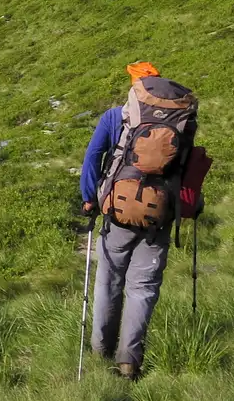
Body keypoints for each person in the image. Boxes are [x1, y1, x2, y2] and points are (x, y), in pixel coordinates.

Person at [80, 61, 198, 380]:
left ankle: (100, 351)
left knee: (108, 280)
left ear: (135, 87)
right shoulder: (181, 121)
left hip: (117, 211)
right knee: (143, 288)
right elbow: (189, 169)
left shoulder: (115, 117)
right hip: (158, 216)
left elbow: (93, 156)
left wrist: (90, 197)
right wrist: (187, 206)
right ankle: (129, 361)